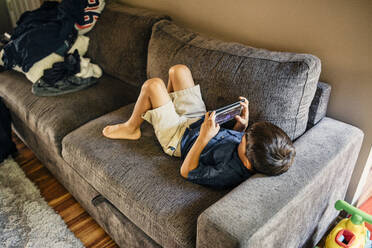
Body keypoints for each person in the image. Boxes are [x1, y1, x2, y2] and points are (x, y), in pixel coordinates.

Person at [102, 64, 296, 189]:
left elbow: (186, 171)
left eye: (245, 138)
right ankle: (164, 108)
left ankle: (131, 128)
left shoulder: (227, 173)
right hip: (197, 121)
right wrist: (240, 125)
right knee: (179, 71)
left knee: (153, 85)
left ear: (246, 163)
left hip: (178, 139)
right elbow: (232, 142)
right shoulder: (254, 148)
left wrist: (204, 137)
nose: (243, 136)